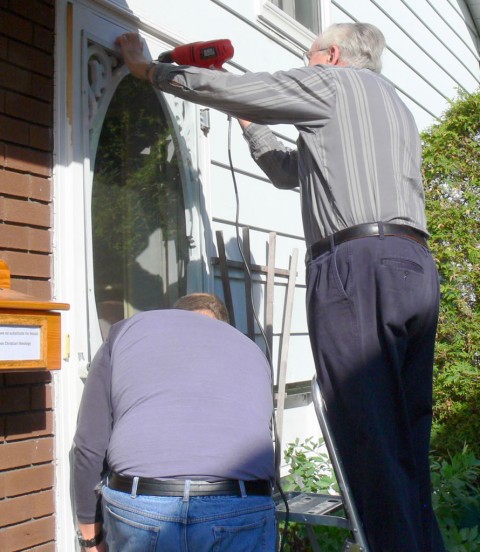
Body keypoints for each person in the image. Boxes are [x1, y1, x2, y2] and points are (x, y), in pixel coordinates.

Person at [115, 22, 445, 552]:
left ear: (332, 55)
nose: (303, 63)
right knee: (405, 436)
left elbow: (245, 88)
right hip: (412, 266)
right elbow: (291, 171)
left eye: (307, 55)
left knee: (367, 433)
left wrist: (153, 71)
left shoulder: (334, 83)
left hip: (356, 266)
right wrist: (250, 122)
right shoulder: (393, 107)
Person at [73, 293, 276, 552]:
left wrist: (91, 541)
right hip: (239, 506)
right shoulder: (251, 350)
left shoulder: (126, 334)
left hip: (142, 508)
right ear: (224, 326)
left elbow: (89, 444)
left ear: (172, 316)